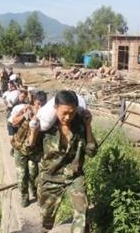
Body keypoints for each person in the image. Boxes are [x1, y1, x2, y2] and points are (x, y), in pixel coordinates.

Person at [37, 90, 97, 233]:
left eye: (72, 112)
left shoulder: (80, 125)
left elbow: (91, 152)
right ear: (55, 108)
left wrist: (88, 126)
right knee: (46, 221)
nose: (68, 117)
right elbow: (29, 150)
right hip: (50, 178)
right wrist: (33, 130)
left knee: (81, 214)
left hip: (74, 177)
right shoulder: (45, 126)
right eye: (64, 112)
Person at [10, 91, 48, 207]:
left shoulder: (46, 115)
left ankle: (33, 189)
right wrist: (23, 116)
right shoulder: (27, 109)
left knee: (33, 173)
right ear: (34, 102)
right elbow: (13, 122)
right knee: (22, 175)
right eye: (38, 103)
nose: (40, 106)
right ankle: (24, 196)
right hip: (19, 148)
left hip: (34, 150)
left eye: (43, 104)